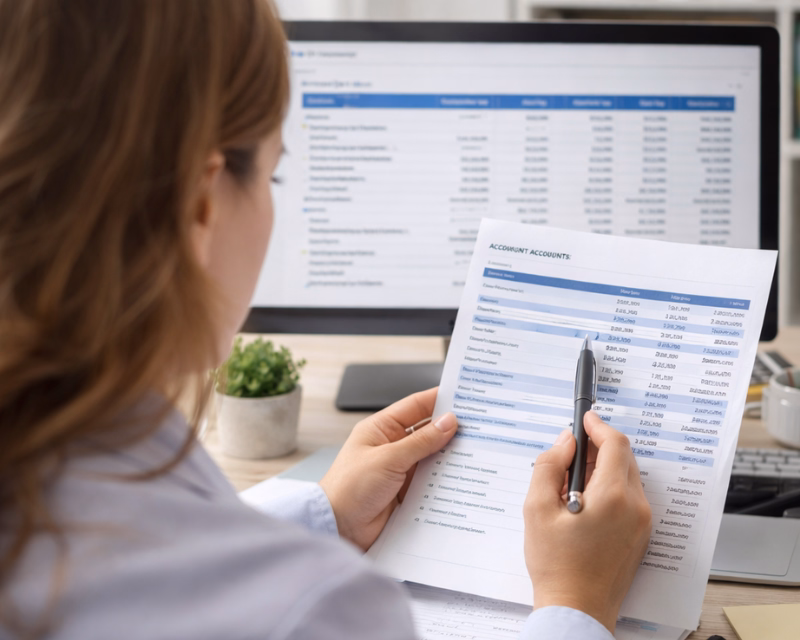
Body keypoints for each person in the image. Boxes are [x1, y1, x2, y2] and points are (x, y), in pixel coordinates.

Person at [0, 1, 652, 638]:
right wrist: (578, 603)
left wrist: (325, 513)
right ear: (200, 206)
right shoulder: (318, 610)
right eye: (272, 179)